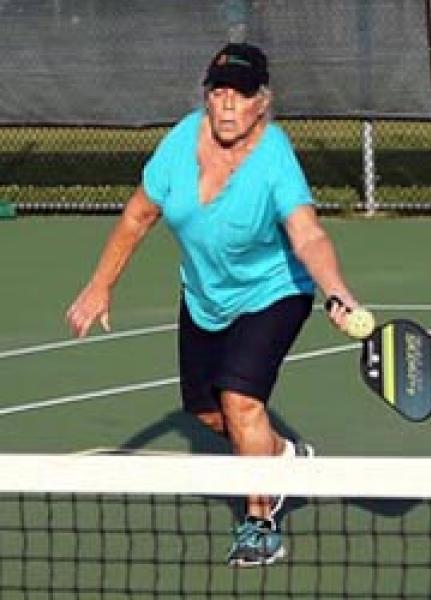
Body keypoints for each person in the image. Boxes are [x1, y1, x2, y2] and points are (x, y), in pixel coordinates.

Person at [64, 43, 365, 568]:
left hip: (274, 291)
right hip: (205, 295)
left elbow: (308, 235)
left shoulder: (275, 162)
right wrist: (99, 285)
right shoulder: (181, 142)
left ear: (261, 104)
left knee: (240, 399)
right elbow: (139, 215)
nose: (227, 105)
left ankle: (260, 522)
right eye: (219, 92)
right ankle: (285, 458)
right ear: (207, 96)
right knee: (207, 412)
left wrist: (337, 291)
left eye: (241, 95)